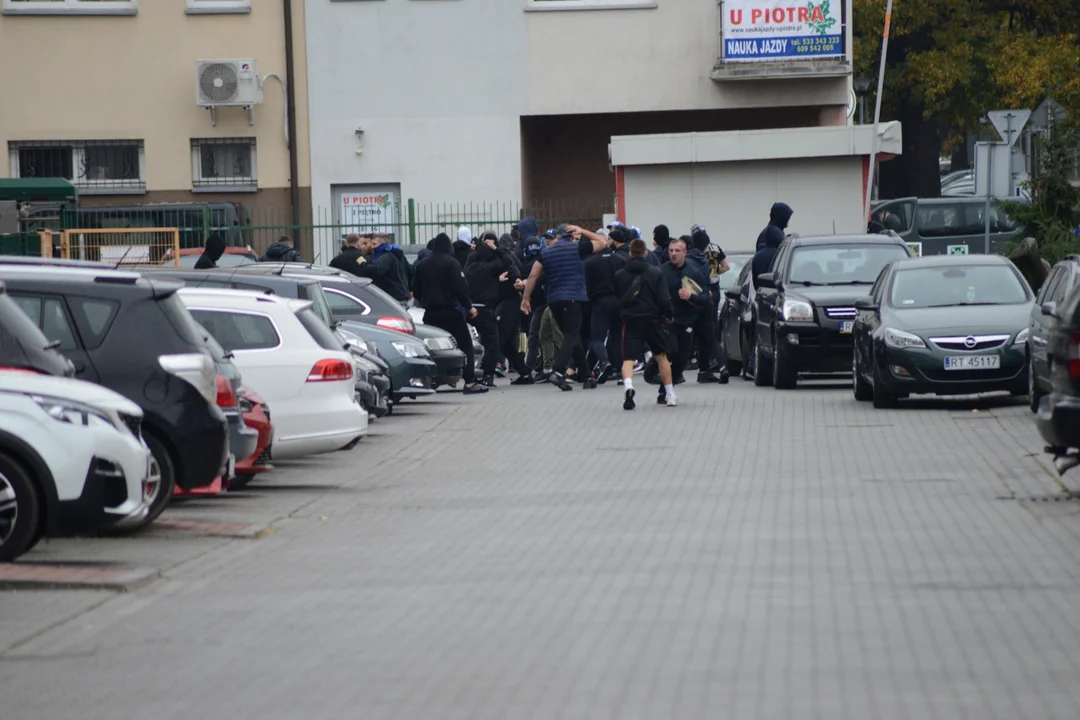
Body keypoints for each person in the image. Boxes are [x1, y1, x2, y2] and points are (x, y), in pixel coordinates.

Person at [521, 224, 611, 392]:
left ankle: (586, 377)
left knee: (573, 337)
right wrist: (583, 230)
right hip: (573, 298)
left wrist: (525, 299)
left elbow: (533, 275)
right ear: (571, 235)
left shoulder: (546, 253)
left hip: (554, 300)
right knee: (571, 336)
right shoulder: (578, 247)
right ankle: (558, 371)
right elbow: (603, 242)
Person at [412, 234, 487, 395]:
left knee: (431, 348)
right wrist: (469, 307)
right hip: (451, 312)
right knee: (465, 345)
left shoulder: (422, 265)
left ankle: (431, 380)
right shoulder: (452, 264)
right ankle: (469, 383)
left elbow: (416, 291)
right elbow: (460, 288)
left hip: (430, 313)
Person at [615, 238, 676, 409]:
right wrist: (669, 315)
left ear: (629, 253)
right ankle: (670, 394)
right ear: (645, 253)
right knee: (661, 357)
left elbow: (618, 296)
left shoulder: (620, 275)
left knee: (628, 359)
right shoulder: (656, 273)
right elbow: (664, 299)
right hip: (653, 320)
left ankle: (628, 386)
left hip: (631, 321)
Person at [661, 237, 712, 396]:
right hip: (667, 321)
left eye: (677, 251)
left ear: (685, 252)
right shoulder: (660, 271)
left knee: (681, 360)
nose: (673, 254)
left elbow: (706, 299)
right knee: (669, 352)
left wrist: (691, 296)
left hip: (686, 321)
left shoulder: (694, 272)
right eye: (671, 251)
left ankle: (666, 387)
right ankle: (657, 378)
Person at [465, 231, 516, 387]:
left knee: (469, 342)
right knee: (491, 344)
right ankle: (488, 375)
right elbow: (508, 260)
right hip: (487, 309)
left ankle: (470, 375)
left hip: (470, 308)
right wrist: (496, 249)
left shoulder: (469, 267)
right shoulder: (492, 267)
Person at [585, 225, 629, 383]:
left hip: (599, 302)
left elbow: (587, 285)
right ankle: (621, 373)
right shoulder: (621, 260)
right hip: (618, 301)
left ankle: (604, 361)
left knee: (597, 337)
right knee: (616, 338)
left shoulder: (590, 263)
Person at [356, 233, 412, 303]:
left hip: (391, 297)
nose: (372, 247)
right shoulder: (398, 255)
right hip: (401, 295)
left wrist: (363, 263)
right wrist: (409, 290)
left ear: (382, 244)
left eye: (374, 244)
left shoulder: (385, 257)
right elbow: (410, 271)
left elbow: (377, 270)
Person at [752, 202, 794, 283]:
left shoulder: (778, 232)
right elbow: (764, 264)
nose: (788, 220)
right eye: (787, 217)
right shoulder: (768, 235)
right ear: (781, 217)